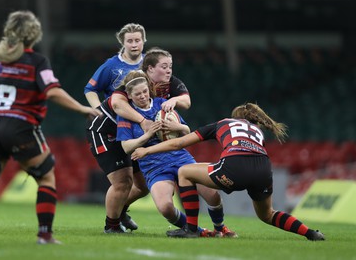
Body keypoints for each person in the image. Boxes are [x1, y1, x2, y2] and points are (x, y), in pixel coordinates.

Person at [0, 10, 101, 245]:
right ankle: (45, 235)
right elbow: (52, 91)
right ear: (34, 34)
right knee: (45, 177)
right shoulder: (36, 61)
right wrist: (82, 109)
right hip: (20, 126)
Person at [131, 103, 325, 241]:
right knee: (267, 214)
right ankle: (310, 233)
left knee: (184, 172)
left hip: (234, 167)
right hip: (264, 170)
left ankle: (191, 229)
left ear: (235, 117)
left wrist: (147, 150)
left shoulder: (223, 123)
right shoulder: (257, 131)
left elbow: (179, 143)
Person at [116, 71, 237, 237]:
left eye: (145, 91)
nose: (143, 96)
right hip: (154, 166)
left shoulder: (162, 104)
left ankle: (220, 227)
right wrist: (148, 134)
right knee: (165, 207)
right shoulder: (125, 116)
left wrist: (178, 128)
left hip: (180, 157)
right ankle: (198, 231)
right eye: (137, 94)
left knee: (212, 193)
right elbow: (127, 147)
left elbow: (186, 131)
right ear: (129, 95)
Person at [83, 23, 148, 232]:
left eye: (137, 40)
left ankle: (120, 211)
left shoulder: (149, 63)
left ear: (143, 40)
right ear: (123, 42)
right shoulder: (112, 65)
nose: (134, 44)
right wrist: (98, 110)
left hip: (131, 131)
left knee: (143, 186)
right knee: (123, 181)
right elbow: (90, 89)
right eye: (130, 40)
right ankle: (112, 225)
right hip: (108, 129)